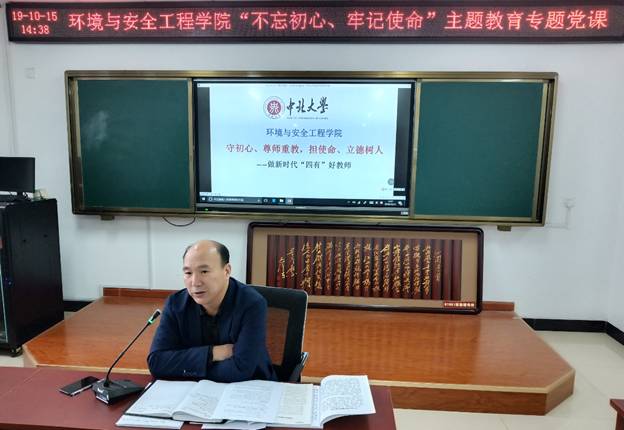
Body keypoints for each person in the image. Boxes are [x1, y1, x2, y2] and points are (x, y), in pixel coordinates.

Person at [148, 240, 277, 382]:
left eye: (204, 271)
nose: (195, 282)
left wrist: (185, 367)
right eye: (188, 273)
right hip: (196, 390)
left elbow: (241, 370)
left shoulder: (252, 304)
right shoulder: (176, 304)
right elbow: (156, 363)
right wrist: (212, 353)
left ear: (226, 271)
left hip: (249, 386)